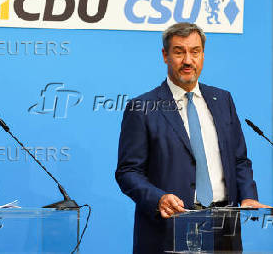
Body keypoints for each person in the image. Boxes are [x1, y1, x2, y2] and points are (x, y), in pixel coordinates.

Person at [115, 22, 270, 253]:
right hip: (171, 231)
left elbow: (239, 160)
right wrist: (158, 198)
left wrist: (247, 196)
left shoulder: (223, 100)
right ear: (165, 55)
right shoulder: (142, 107)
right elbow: (128, 172)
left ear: (203, 55)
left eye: (195, 51)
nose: (188, 60)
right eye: (179, 52)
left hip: (224, 230)